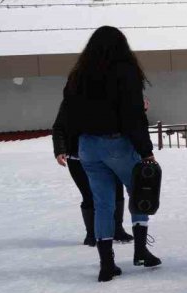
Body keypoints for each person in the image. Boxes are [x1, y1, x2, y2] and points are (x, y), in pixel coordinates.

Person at [59, 25, 160, 282]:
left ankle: (107, 264)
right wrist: (145, 151)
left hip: (87, 148)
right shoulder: (124, 72)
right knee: (140, 191)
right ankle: (140, 251)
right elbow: (132, 116)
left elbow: (68, 114)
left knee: (102, 203)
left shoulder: (77, 75)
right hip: (117, 143)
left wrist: (71, 146)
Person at [53, 99, 134, 246]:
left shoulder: (107, 97)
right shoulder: (70, 102)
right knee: (88, 193)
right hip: (76, 156)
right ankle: (91, 233)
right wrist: (60, 150)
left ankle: (117, 229)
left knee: (116, 190)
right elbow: (59, 127)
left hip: (108, 153)